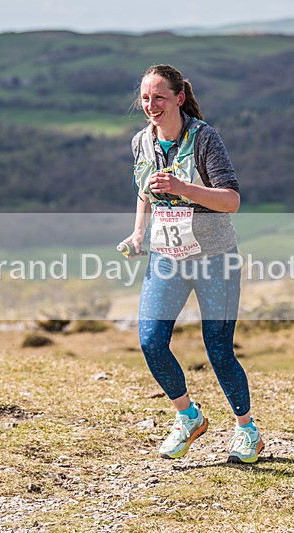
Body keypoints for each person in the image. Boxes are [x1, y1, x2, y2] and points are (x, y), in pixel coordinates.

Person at [122, 64, 263, 463]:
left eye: (160, 97)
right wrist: (137, 233)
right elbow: (144, 191)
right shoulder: (141, 142)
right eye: (146, 98)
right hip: (167, 257)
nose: (151, 105)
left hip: (214, 259)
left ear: (179, 97)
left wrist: (184, 188)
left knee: (218, 348)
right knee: (151, 342)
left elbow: (231, 201)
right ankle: (188, 416)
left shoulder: (205, 139)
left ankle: (246, 430)